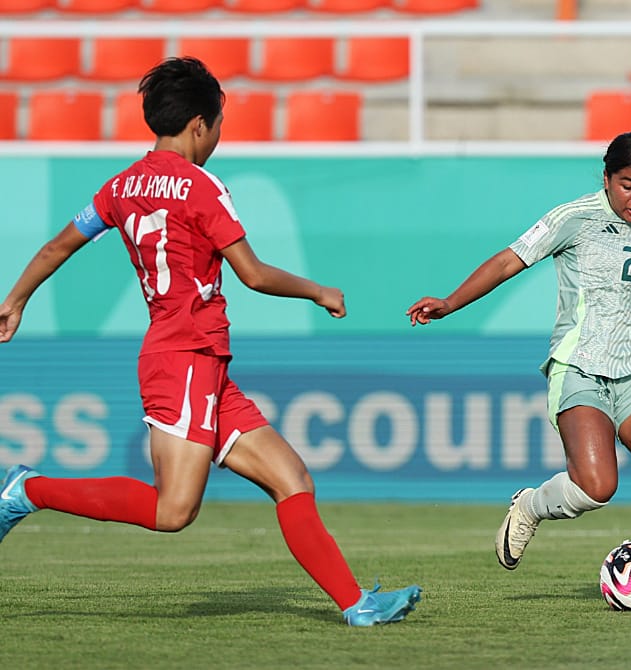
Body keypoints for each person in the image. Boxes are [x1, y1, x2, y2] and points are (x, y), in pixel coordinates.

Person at [0, 57, 420, 626]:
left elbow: (56, 247)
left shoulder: (120, 186)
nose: (218, 136)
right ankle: (29, 491)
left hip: (199, 360)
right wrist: (317, 290)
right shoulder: (202, 187)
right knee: (173, 510)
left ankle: (357, 605)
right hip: (185, 356)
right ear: (201, 124)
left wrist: (17, 299)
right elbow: (252, 273)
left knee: (291, 478)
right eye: (219, 124)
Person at [406, 131, 631, 611]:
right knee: (597, 487)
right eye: (628, 184)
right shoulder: (575, 218)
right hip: (580, 368)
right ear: (607, 178)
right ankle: (529, 505)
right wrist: (450, 303)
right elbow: (510, 260)